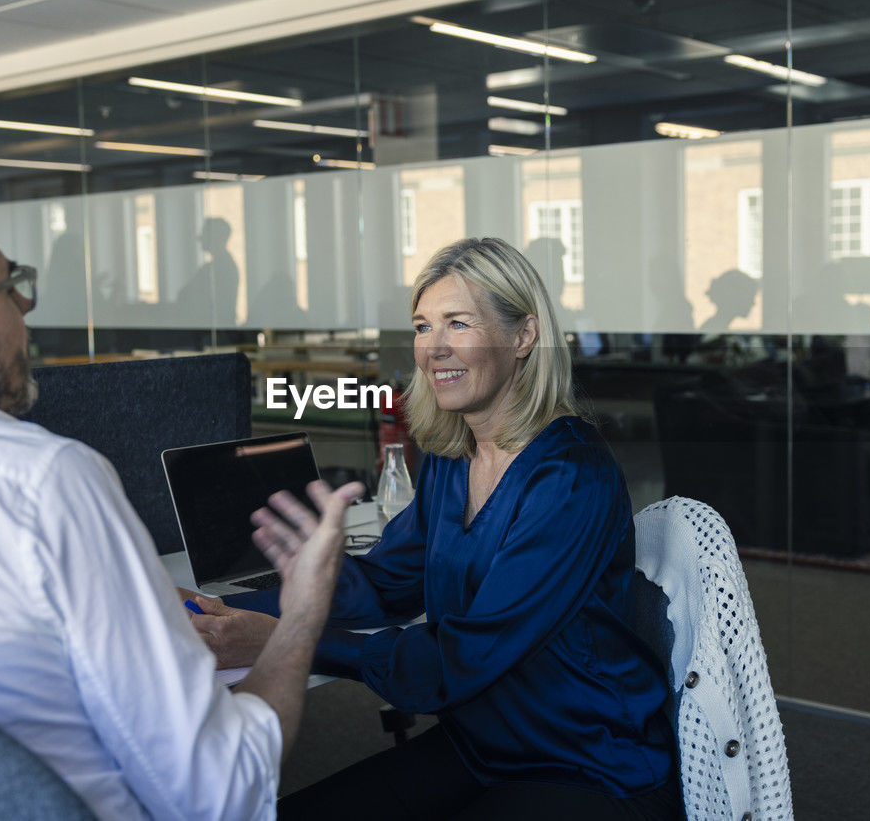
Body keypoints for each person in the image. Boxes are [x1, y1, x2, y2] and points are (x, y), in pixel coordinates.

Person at [0, 178, 361, 820]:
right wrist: (303, 612)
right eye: (9, 288)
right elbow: (216, 793)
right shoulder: (41, 482)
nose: (25, 310)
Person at [199, 238, 681, 820]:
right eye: (423, 327)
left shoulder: (570, 478)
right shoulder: (455, 459)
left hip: (586, 763)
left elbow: (463, 658)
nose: (434, 348)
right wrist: (212, 611)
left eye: (458, 322)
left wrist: (287, 639)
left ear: (524, 335)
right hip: (484, 745)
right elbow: (382, 585)